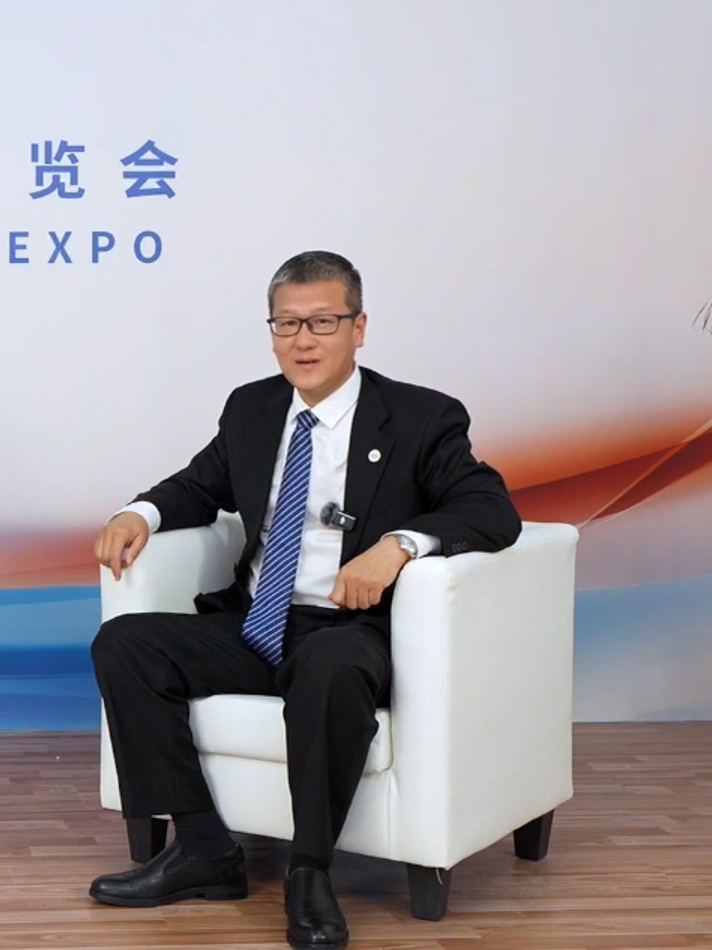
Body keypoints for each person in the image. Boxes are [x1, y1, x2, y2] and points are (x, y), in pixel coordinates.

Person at [89, 250, 521, 950]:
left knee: (329, 668)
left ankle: (309, 871)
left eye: (323, 322)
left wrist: (400, 545)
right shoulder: (253, 408)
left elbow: (491, 509)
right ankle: (203, 848)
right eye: (286, 323)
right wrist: (140, 512)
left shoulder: (420, 416)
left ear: (359, 328)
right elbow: (199, 485)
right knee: (126, 644)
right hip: (257, 622)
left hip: (350, 629)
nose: (303, 341)